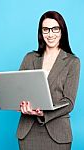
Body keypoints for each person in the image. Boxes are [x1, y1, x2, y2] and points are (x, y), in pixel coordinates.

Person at [17, 11, 80, 150]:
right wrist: (21, 105)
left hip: (57, 134)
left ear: (62, 30)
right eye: (46, 29)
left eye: (55, 29)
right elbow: (18, 91)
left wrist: (43, 113)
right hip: (28, 132)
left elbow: (69, 102)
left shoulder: (72, 62)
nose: (50, 34)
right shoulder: (30, 58)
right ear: (41, 32)